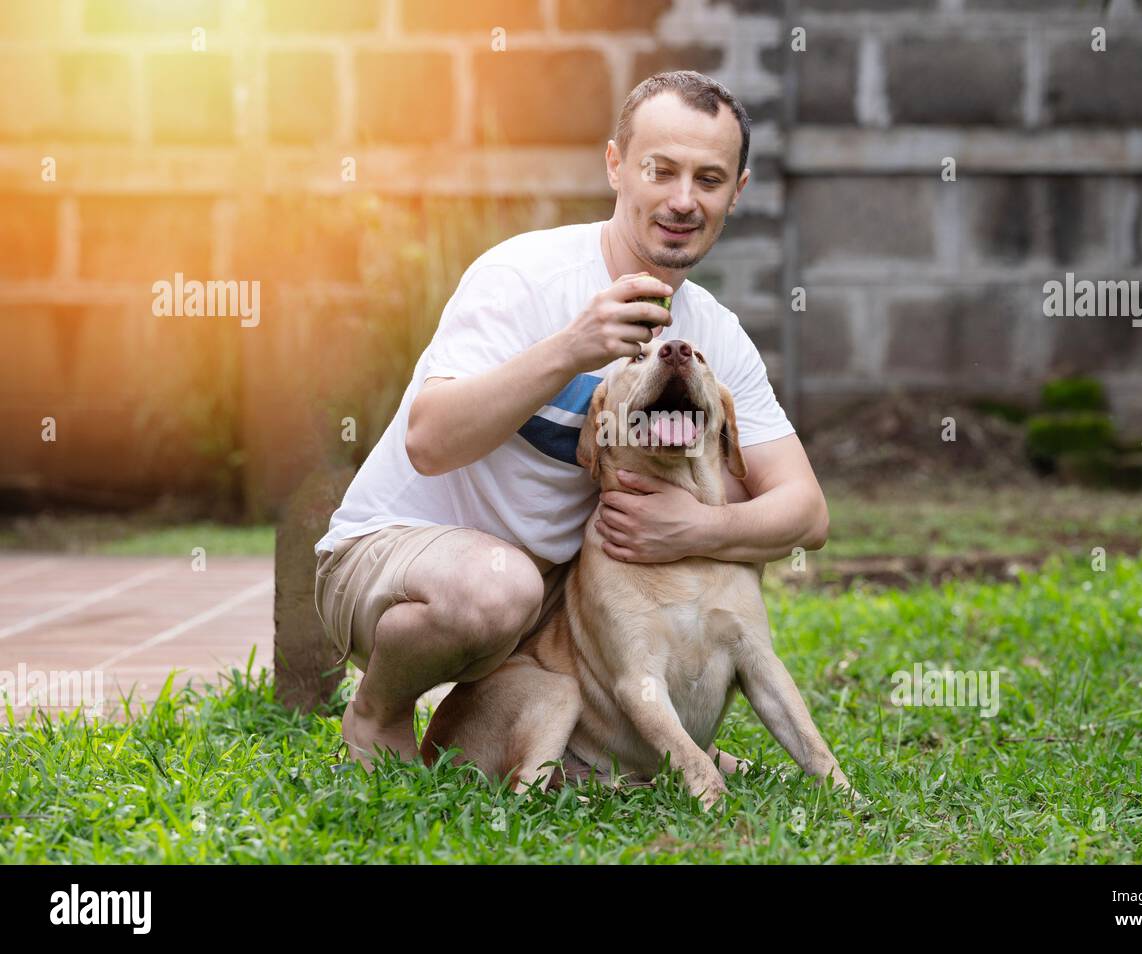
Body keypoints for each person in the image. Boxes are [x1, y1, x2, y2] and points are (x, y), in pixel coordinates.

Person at [314, 70, 829, 770]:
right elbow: (430, 441)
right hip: (398, 559)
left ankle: (602, 752)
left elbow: (805, 513)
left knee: (721, 490)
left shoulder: (713, 335)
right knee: (500, 586)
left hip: (554, 593)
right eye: (661, 170)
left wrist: (700, 527)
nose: (683, 200)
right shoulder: (525, 276)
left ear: (736, 193)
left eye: (709, 179)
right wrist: (571, 349)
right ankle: (376, 714)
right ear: (616, 164)